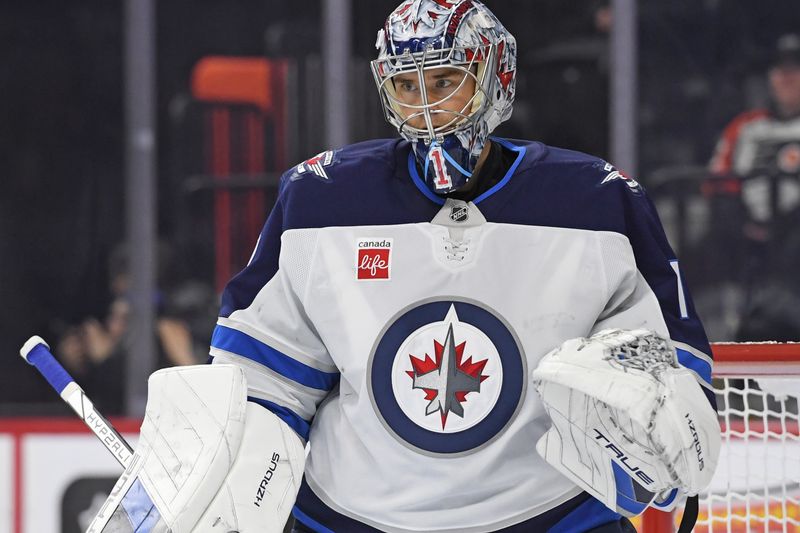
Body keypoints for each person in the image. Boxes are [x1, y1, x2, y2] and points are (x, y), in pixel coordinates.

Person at [89, 2, 719, 532]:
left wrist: (657, 420)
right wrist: (213, 481)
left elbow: (668, 366)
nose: (426, 110)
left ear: (495, 76)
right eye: (406, 87)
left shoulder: (596, 203)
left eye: (445, 82)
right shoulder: (320, 201)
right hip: (351, 518)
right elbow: (263, 380)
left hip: (551, 517)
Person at [705, 33, 800, 342]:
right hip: (748, 235)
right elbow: (717, 183)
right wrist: (742, 223)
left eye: (796, 68)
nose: (787, 77)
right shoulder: (745, 127)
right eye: (780, 70)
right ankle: (731, 330)